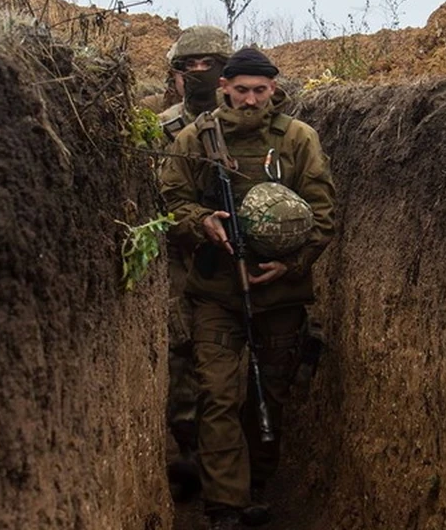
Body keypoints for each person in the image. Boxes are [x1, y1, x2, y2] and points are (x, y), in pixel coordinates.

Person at [160, 48, 336, 530]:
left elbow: (323, 215)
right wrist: (202, 223)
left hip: (280, 296)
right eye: (241, 90)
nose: (251, 99)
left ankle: (258, 484)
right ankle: (225, 505)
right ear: (224, 88)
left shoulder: (298, 140)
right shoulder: (195, 139)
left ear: (274, 90)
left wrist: (289, 263)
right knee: (216, 395)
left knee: (268, 393)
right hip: (216, 292)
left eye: (261, 91)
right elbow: (173, 201)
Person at [159, 25, 233, 503]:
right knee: (180, 345)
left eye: (210, 64)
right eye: (191, 66)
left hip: (235, 253)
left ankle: (235, 463)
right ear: (178, 74)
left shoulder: (250, 118)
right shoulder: (162, 127)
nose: (200, 73)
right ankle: (189, 450)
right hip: (180, 253)